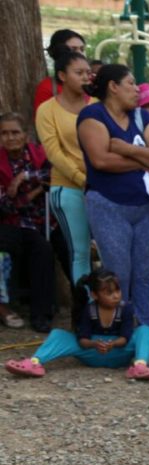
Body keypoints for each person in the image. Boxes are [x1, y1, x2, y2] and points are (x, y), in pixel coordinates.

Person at [77, 64, 149, 333]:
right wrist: (142, 161)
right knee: (118, 272)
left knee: (144, 274)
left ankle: (146, 331)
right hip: (108, 204)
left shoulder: (142, 116)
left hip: (146, 205)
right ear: (113, 87)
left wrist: (125, 149)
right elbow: (101, 160)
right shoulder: (92, 115)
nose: (136, 89)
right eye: (130, 83)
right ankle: (119, 330)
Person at [5, 268, 149, 381]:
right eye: (109, 292)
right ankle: (34, 362)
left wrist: (113, 344)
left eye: (117, 290)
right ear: (94, 295)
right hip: (91, 351)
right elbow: (82, 340)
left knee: (144, 330)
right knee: (58, 334)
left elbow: (125, 337)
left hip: (119, 350)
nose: (116, 295)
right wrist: (94, 343)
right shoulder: (88, 310)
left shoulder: (126, 308)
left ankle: (140, 366)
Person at [36, 51, 94, 286]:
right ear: (62, 75)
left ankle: (112, 308)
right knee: (80, 251)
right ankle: (85, 307)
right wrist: (81, 179)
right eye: (78, 73)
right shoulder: (47, 110)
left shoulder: (98, 104)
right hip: (69, 186)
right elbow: (54, 152)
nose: (85, 78)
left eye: (88, 73)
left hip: (103, 186)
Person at [0, 112, 55, 333]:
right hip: (8, 224)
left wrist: (22, 177)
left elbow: (52, 174)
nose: (10, 137)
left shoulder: (39, 154)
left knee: (43, 250)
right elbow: (5, 205)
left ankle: (41, 315)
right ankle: (3, 307)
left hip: (38, 223)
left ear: (25, 135)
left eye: (15, 132)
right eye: (4, 133)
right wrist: (37, 189)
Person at [33, 29, 86, 119]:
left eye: (82, 49)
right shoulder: (47, 87)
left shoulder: (90, 82)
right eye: (74, 49)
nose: (80, 53)